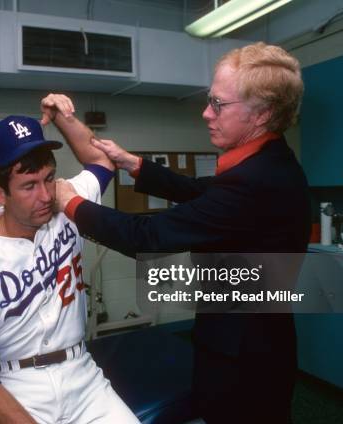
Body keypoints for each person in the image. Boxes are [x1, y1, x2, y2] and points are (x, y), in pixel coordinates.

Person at [55, 42, 311, 423]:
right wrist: (136, 165)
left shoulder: (256, 182)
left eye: (219, 105)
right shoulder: (270, 159)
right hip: (254, 339)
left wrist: (70, 202)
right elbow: (204, 192)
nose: (206, 113)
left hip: (243, 357)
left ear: (263, 114)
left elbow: (145, 236)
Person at [0, 94, 140, 424]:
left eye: (49, 178)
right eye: (29, 185)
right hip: (15, 387)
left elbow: (103, 161)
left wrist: (63, 118)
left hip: (83, 377)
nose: (46, 195)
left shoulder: (65, 208)